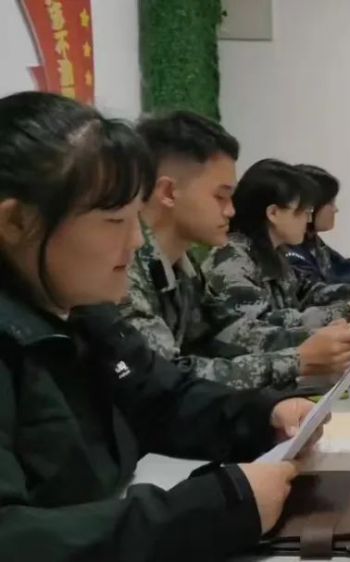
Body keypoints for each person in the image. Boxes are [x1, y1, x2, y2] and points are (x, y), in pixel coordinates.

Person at [0, 91, 319, 560]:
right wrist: (214, 509)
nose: (135, 241)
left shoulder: (84, 312)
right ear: (16, 222)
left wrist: (266, 416)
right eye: (114, 221)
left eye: (136, 218)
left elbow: (163, 397)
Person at [122, 111, 350, 390]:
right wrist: (297, 360)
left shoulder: (182, 266)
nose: (230, 211)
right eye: (220, 196)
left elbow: (228, 331)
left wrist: (316, 342)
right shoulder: (123, 269)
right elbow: (167, 379)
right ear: (167, 192)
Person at [201, 159, 350, 346]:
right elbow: (260, 329)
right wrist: (345, 311)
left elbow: (306, 292)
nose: (308, 219)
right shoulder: (232, 261)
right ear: (273, 213)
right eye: (304, 211)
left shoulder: (271, 251)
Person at [286, 164, 350, 285]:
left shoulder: (312, 240)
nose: (335, 209)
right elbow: (325, 284)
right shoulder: (289, 249)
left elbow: (343, 266)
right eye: (330, 203)